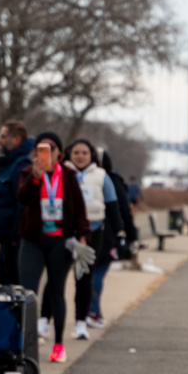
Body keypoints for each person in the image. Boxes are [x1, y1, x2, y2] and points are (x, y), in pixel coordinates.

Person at [17, 130, 90, 364]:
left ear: (59, 153)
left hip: (60, 241)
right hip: (33, 240)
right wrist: (35, 178)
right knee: (28, 292)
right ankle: (25, 343)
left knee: (57, 291)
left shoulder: (68, 176)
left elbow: (79, 209)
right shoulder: (28, 173)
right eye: (42, 148)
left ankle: (58, 344)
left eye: (51, 148)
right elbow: (23, 199)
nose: (47, 153)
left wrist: (82, 236)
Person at [60, 138, 120, 339]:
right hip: (64, 233)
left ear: (91, 155)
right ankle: (45, 321)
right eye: (76, 152)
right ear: (69, 154)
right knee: (57, 278)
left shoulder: (101, 176)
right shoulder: (61, 173)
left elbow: (112, 205)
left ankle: (81, 323)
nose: (80, 156)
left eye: (84, 153)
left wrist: (119, 232)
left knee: (85, 280)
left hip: (93, 232)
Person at [86, 148, 138, 328]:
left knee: (90, 273)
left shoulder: (82, 179)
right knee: (97, 273)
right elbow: (123, 211)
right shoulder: (113, 181)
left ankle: (92, 311)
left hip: (86, 232)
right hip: (107, 235)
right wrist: (131, 235)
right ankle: (93, 312)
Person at [0, 119, 34, 284]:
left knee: (13, 287)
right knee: (4, 286)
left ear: (16, 139)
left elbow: (22, 204)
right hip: (7, 240)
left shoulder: (21, 165)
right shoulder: (10, 164)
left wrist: (15, 235)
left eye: (3, 136)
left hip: (14, 241)